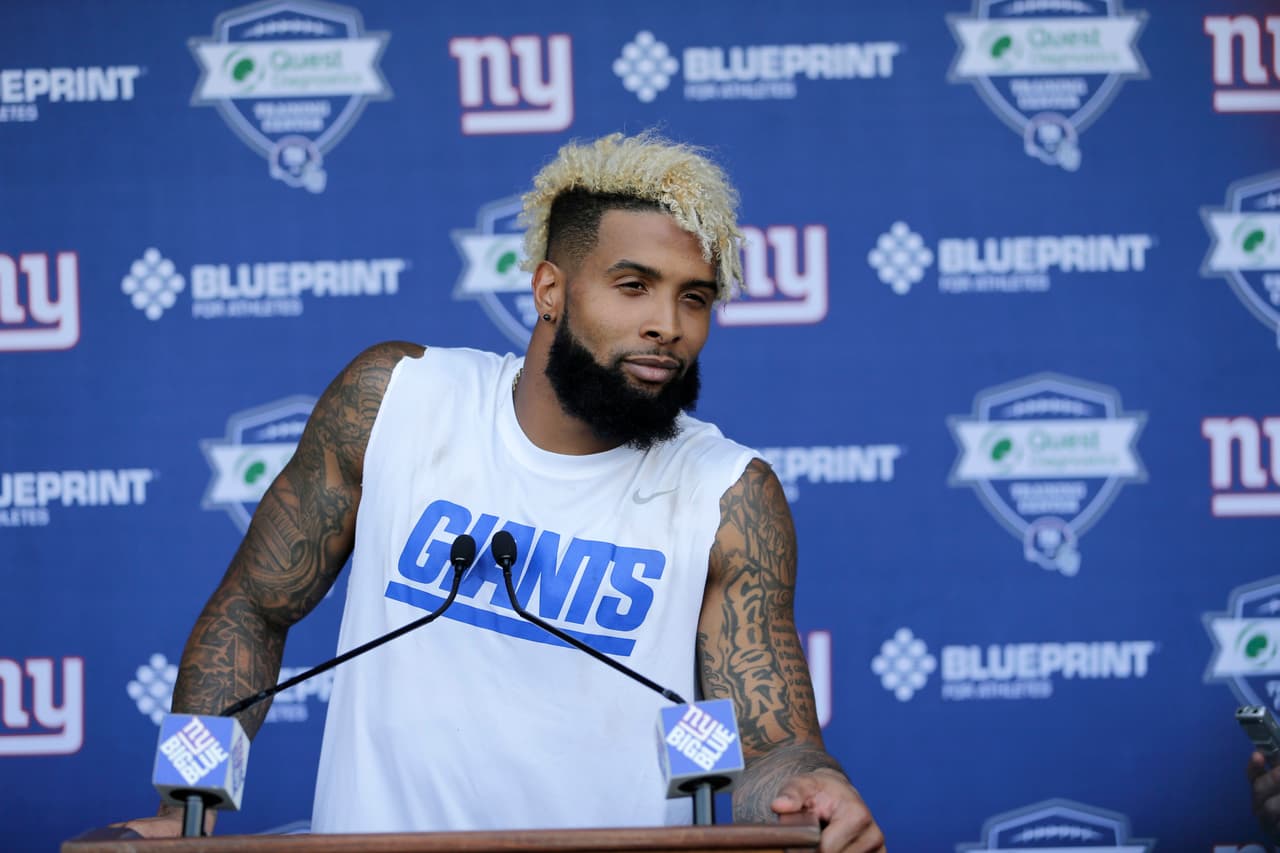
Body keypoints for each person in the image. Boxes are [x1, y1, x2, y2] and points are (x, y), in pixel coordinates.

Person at [119, 132, 886, 852]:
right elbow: (256, 606)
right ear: (550, 288)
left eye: (695, 297)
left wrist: (814, 785)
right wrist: (187, 802)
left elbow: (768, 748)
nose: (667, 324)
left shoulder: (728, 493)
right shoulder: (398, 402)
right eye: (633, 286)